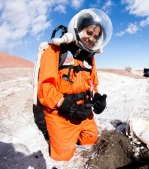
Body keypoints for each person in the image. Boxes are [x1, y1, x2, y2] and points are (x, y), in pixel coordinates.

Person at [37, 8, 112, 161]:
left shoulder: (90, 59)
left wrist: (97, 98)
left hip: (84, 111)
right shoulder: (55, 50)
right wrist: (66, 106)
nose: (91, 39)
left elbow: (93, 85)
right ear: (77, 28)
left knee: (90, 140)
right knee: (63, 157)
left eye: (95, 37)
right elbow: (45, 89)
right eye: (89, 32)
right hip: (60, 114)